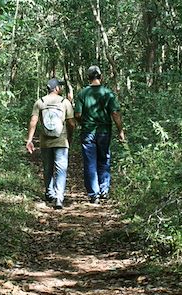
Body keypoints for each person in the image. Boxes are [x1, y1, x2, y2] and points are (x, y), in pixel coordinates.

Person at [75, 65, 125, 204]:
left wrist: (83, 122)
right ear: (100, 77)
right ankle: (104, 190)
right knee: (104, 160)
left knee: (90, 162)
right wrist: (120, 130)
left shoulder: (82, 94)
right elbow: (115, 113)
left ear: (88, 78)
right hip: (104, 131)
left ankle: (93, 194)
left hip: (88, 132)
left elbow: (77, 114)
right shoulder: (108, 93)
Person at [25, 78, 76, 209]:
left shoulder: (40, 102)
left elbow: (33, 121)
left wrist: (29, 140)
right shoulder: (65, 102)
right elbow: (71, 123)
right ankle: (59, 198)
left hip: (45, 141)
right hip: (61, 140)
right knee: (61, 169)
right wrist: (70, 137)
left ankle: (49, 193)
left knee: (48, 168)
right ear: (57, 88)